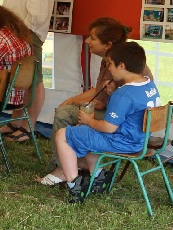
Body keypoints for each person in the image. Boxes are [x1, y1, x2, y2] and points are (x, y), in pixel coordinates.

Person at [38, 18, 151, 186]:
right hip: (136, 132)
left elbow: (100, 104)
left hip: (123, 131)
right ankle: (82, 164)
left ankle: (64, 169)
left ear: (108, 45)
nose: (87, 41)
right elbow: (99, 90)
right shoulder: (126, 61)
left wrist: (85, 115)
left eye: (92, 38)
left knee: (64, 114)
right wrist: (72, 100)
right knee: (72, 110)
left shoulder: (116, 66)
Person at [53, 42, 159, 199]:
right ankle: (98, 175)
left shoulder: (124, 94)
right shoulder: (149, 85)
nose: (109, 69)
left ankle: (74, 184)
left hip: (122, 142)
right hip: (139, 141)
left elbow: (108, 128)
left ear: (121, 66)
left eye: (110, 64)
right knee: (84, 132)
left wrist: (89, 120)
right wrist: (114, 93)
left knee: (62, 135)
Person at [3, 0, 54, 136]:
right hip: (16, 30)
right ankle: (16, 122)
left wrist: (25, 30)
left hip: (28, 31)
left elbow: (39, 6)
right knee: (20, 78)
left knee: (34, 79)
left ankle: (29, 126)